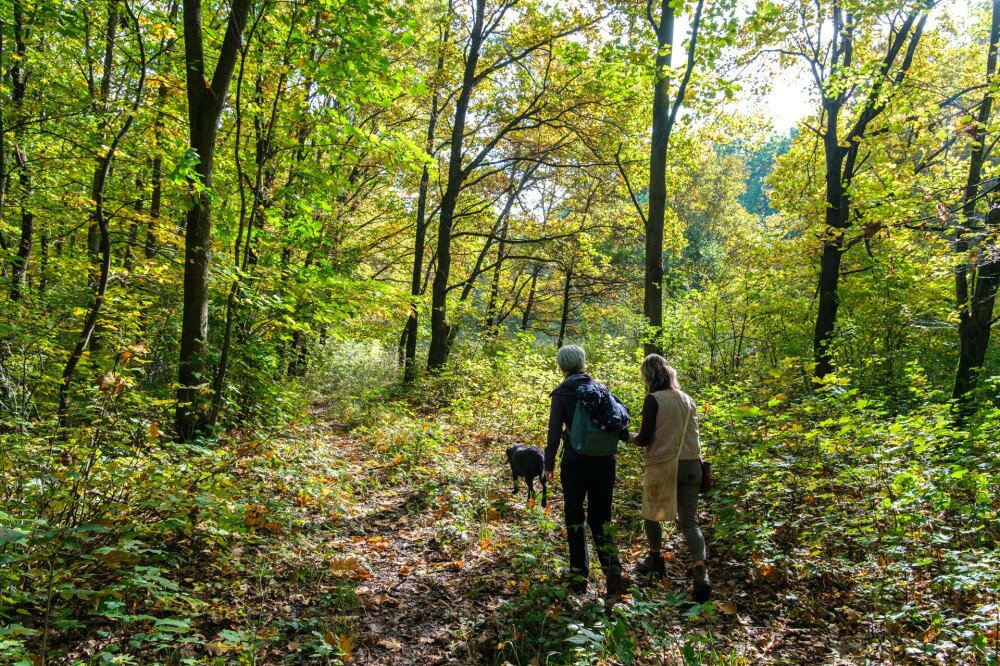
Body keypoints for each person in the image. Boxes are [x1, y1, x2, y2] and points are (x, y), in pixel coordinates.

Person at [545, 344, 627, 597]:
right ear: (582, 362)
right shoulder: (600, 388)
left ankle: (579, 575)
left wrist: (548, 464)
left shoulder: (562, 393)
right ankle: (613, 569)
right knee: (601, 517)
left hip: (574, 462)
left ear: (561, 365)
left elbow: (554, 431)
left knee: (574, 515)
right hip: (604, 461)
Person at [628, 354, 711, 602]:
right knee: (690, 522)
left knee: (651, 513)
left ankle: (655, 560)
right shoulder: (688, 400)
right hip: (693, 465)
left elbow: (644, 439)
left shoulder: (653, 400)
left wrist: (628, 436)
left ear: (649, 376)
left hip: (663, 466)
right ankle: (701, 571)